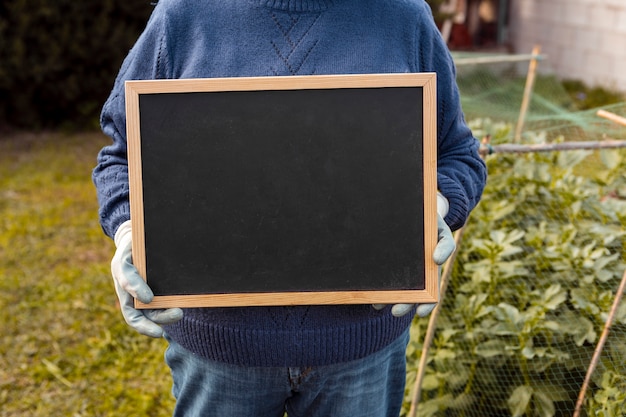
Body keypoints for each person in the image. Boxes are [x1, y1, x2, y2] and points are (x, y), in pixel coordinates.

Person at [93, 1, 487, 416]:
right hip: (221, 352)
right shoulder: (184, 15)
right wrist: (128, 231)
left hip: (362, 350)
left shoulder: (403, 16)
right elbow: (121, 157)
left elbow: (458, 154)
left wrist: (436, 205)